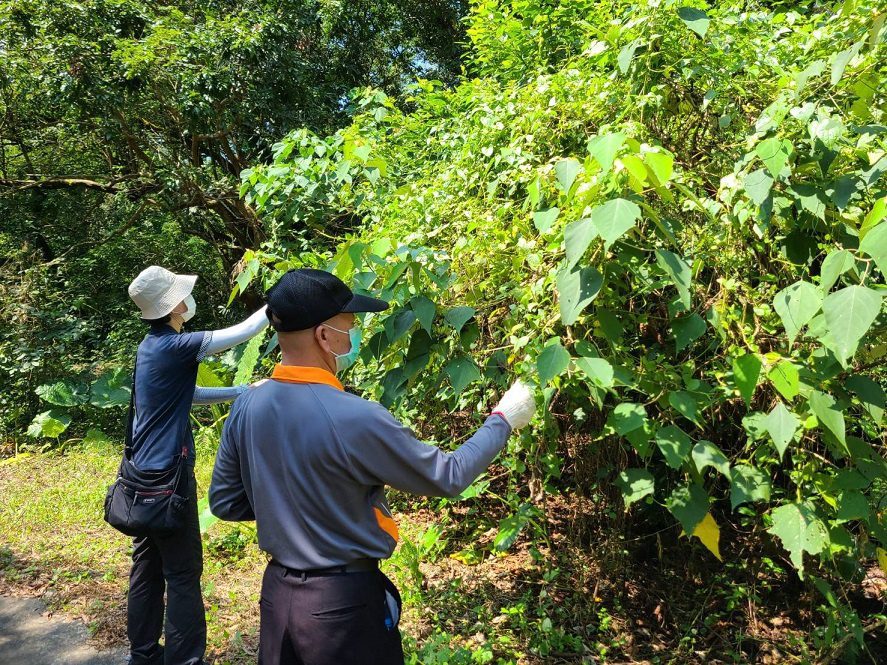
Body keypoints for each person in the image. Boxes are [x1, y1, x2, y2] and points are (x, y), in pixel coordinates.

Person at [208, 268, 536, 665]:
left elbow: (226, 502)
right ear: (324, 336)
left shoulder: (246, 404)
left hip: (277, 598)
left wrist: (286, 508)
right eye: (349, 327)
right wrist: (502, 419)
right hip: (340, 606)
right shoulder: (355, 417)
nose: (354, 336)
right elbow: (448, 476)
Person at [125, 265, 270, 665]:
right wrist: (279, 296)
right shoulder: (177, 345)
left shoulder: (150, 346)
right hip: (169, 479)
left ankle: (143, 655)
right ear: (173, 306)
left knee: (148, 566)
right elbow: (243, 331)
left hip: (142, 477)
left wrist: (241, 391)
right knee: (184, 574)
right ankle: (186, 661)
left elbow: (188, 395)